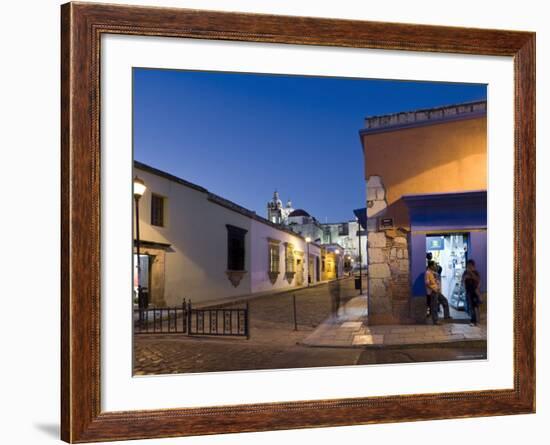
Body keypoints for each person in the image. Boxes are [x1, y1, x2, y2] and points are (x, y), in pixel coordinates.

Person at [462, 259, 481, 326]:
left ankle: (476, 321)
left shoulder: (476, 272)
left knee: (476, 306)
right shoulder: (465, 272)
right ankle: (474, 321)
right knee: (471, 307)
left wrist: (471, 273)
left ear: (473, 265)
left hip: (475, 291)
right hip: (468, 292)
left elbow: (478, 280)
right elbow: (463, 281)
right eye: (468, 265)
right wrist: (464, 289)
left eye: (470, 265)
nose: (469, 266)